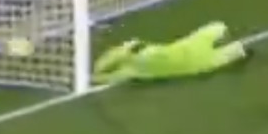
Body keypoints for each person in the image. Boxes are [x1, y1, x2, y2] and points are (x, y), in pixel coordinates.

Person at [93, 21, 249, 84]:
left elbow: (101, 75)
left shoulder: (134, 70)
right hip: (194, 56)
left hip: (194, 61)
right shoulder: (134, 68)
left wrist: (122, 51)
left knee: (235, 46)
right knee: (228, 37)